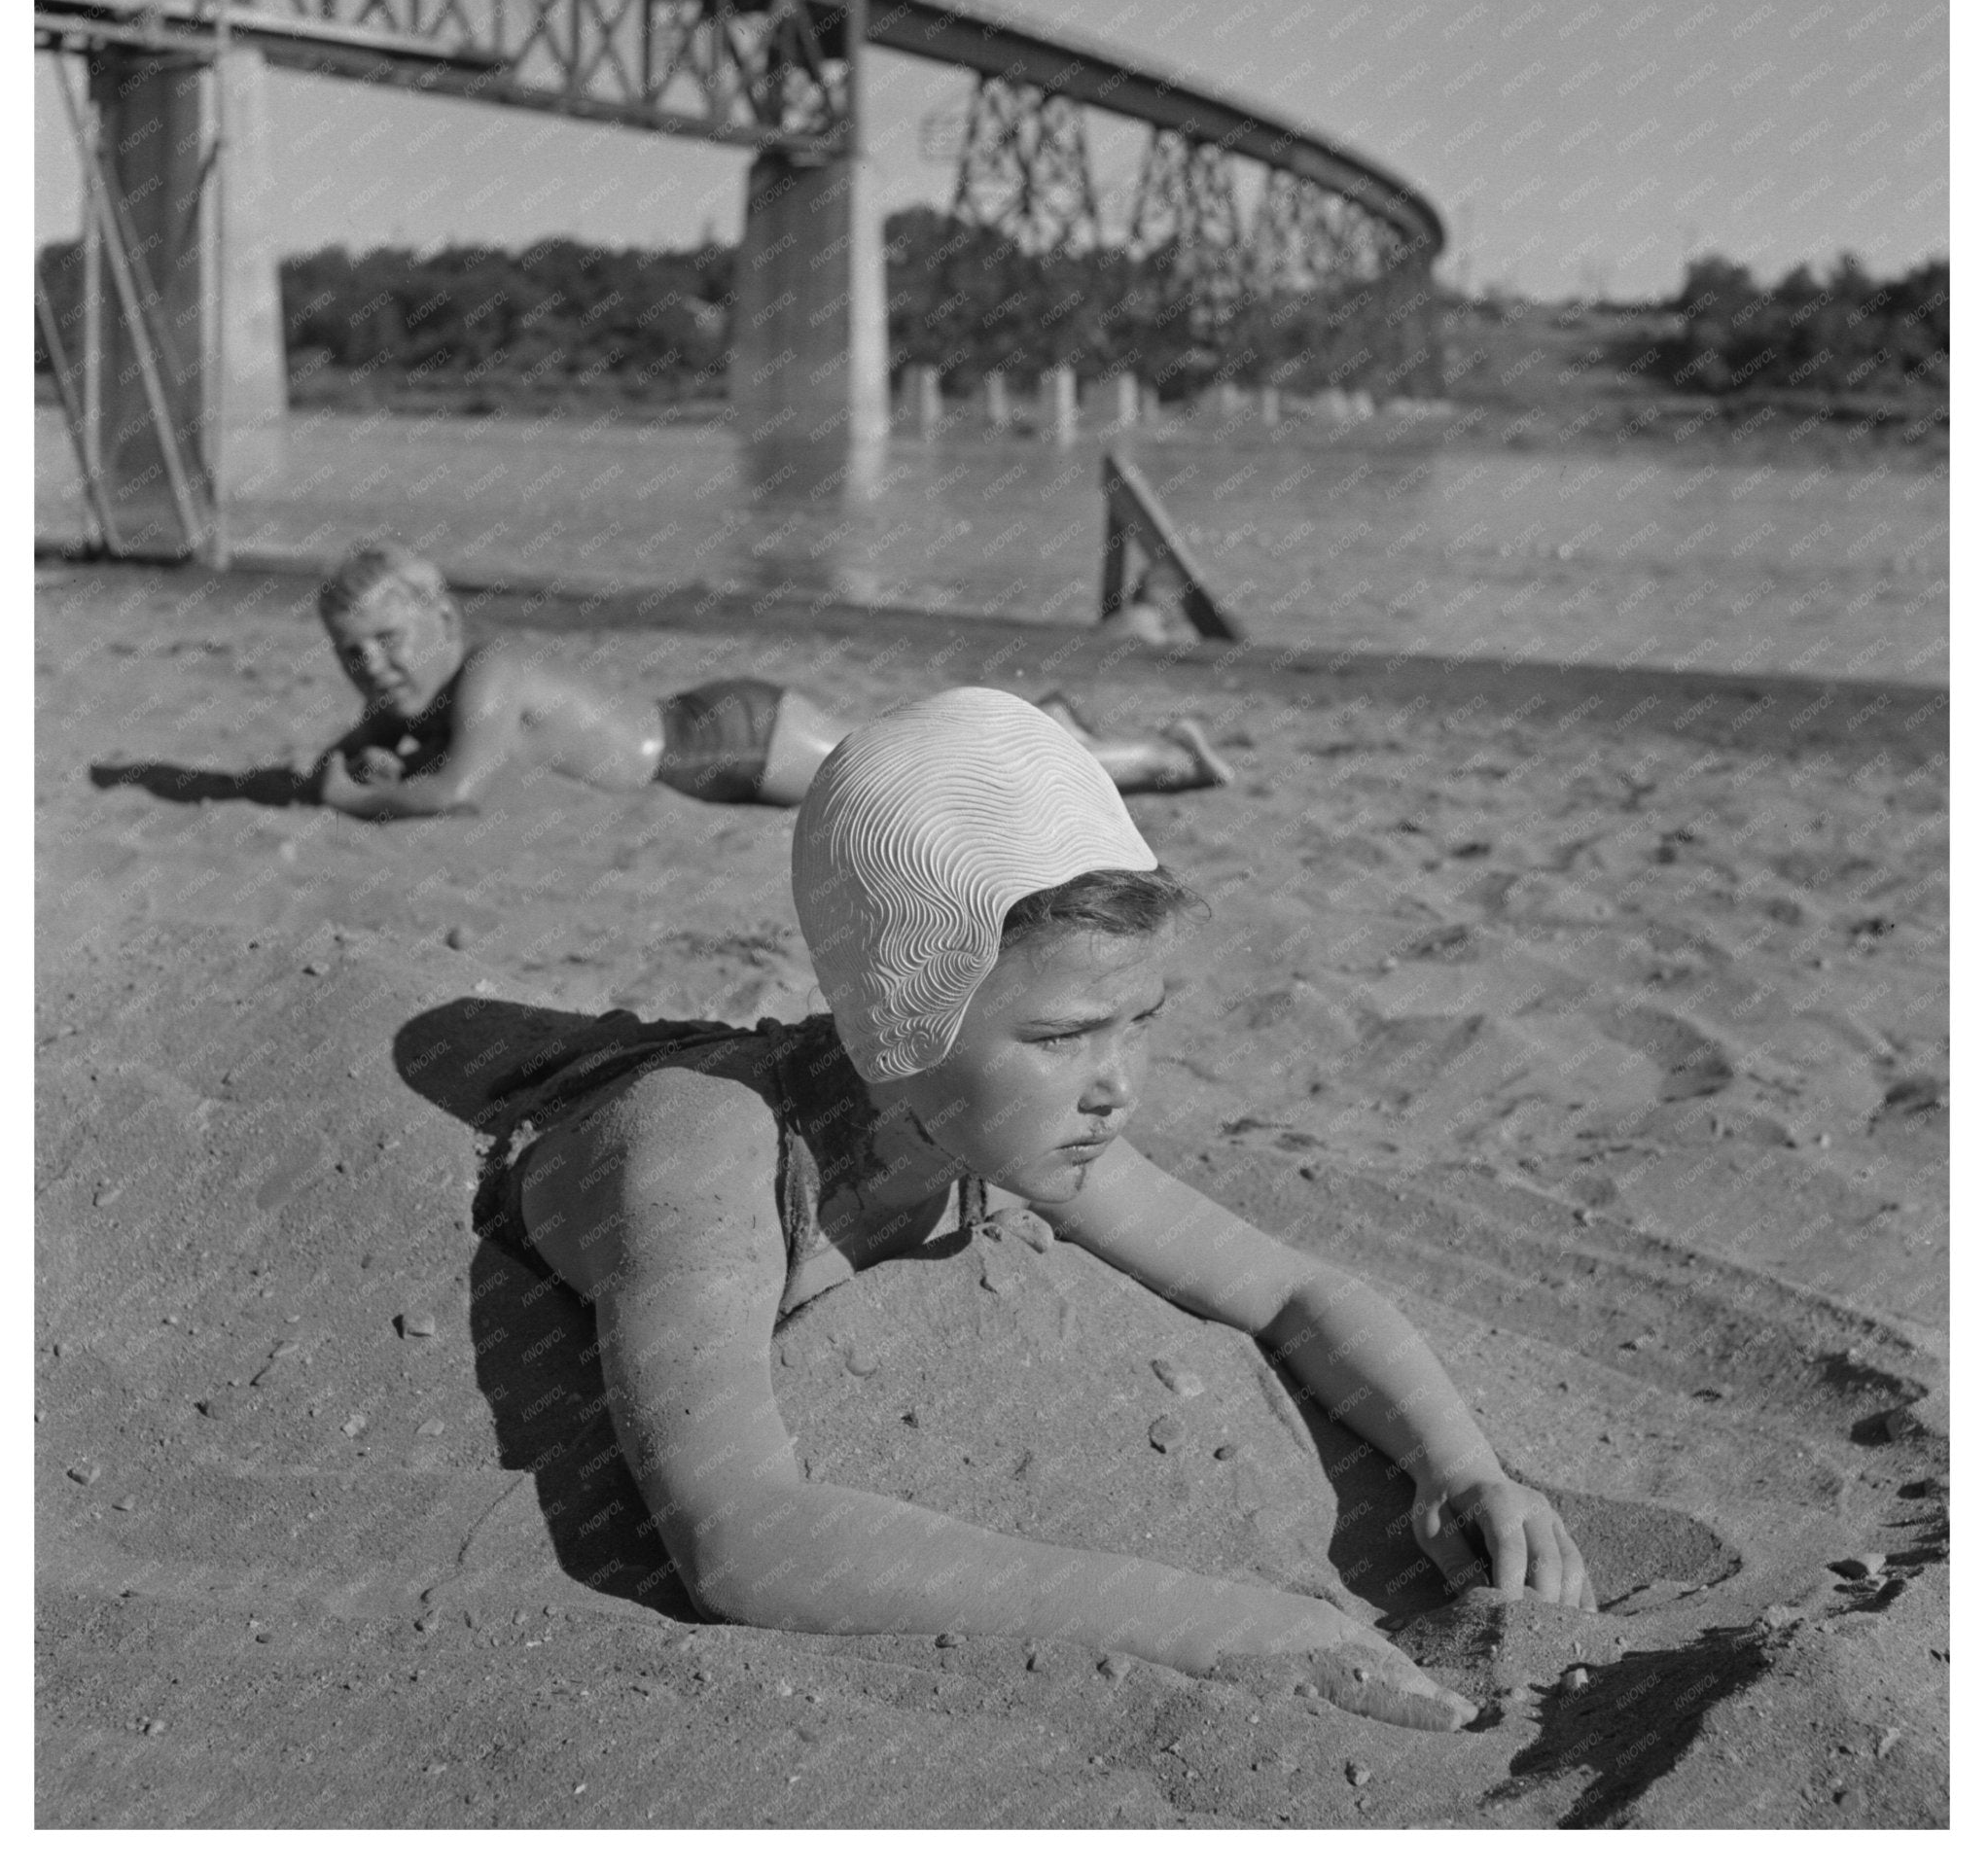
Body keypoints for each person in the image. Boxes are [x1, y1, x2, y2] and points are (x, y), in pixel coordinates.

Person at [487, 688, 1593, 1732]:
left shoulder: (995, 1123)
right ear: (897, 1020)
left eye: (1140, 1021)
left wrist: (1460, 1466)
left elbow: (1294, 1290)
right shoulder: (704, 1164)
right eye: (1062, 1037)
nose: (1118, 1087)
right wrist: (1238, 1628)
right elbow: (743, 1540)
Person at [309, 546, 1231, 821]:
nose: (374, 667)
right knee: (904, 756)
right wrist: (371, 754)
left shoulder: (489, 674)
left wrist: (350, 796)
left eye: (389, 642)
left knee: (919, 782)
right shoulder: (436, 689)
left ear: (444, 619)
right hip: (717, 732)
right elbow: (381, 742)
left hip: (728, 744)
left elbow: (456, 790)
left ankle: (1154, 756)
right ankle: (1044, 715)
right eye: (353, 654)